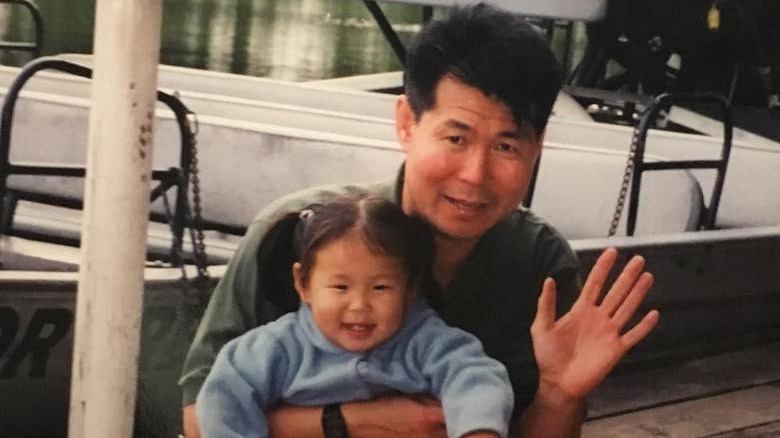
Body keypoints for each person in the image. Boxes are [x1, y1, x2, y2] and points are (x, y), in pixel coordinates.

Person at [180, 4, 660, 437]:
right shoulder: (301, 234)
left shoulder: (537, 262)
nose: (475, 175)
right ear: (407, 123)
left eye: (506, 146)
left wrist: (560, 393)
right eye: (456, 138)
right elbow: (200, 418)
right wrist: (360, 421)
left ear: (538, 147)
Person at [196, 195, 514, 438]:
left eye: (380, 287)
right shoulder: (275, 348)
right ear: (303, 284)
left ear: (411, 287)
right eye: (340, 286)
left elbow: (474, 376)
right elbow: (224, 400)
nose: (359, 305)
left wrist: (477, 430)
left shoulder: (423, 338)